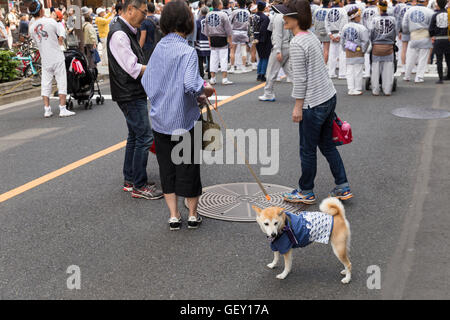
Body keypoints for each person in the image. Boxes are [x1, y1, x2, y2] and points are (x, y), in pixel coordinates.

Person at [141, 1, 214, 230]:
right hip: (185, 119)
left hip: (161, 120)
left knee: (167, 168)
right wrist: (207, 89)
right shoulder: (187, 51)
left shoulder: (158, 49)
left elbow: (147, 82)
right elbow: (192, 85)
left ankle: (174, 216)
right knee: (189, 167)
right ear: (188, 23)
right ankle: (192, 215)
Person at [272, 0, 352, 205]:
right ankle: (342, 185)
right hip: (328, 95)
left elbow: (300, 79)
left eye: (287, 15)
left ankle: (306, 190)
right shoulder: (312, 37)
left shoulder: (297, 43)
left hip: (313, 102)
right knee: (327, 145)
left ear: (297, 17)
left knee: (307, 149)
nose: (283, 18)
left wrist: (298, 106)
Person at [107, 0, 163, 200]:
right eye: (143, 12)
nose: (145, 17)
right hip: (129, 93)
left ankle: (130, 179)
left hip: (128, 92)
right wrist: (158, 69)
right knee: (145, 137)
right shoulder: (120, 33)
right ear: (130, 9)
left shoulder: (124, 30)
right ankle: (139, 185)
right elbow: (132, 68)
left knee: (135, 135)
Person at [28, 0, 75, 118]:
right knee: (61, 81)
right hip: (56, 56)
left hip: (45, 58)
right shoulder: (50, 21)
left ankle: (47, 109)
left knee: (46, 83)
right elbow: (61, 34)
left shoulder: (31, 27)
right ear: (41, 10)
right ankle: (62, 108)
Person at [259, 0, 293, 101]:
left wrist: (277, 50)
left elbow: (277, 34)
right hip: (288, 46)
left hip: (280, 47)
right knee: (291, 72)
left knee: (271, 72)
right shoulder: (287, 16)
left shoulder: (277, 17)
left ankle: (268, 93)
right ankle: (302, 91)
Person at [402, 0, 434, 82]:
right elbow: (432, 25)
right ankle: (419, 77)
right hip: (425, 35)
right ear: (426, 2)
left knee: (410, 57)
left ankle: (407, 75)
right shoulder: (430, 11)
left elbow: (404, 25)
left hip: (413, 36)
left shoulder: (409, 11)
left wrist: (406, 32)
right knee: (423, 58)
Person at [341, 7, 370, 95]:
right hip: (358, 49)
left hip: (348, 48)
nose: (360, 17)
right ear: (356, 17)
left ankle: (351, 88)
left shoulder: (345, 27)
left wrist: (344, 48)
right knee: (358, 70)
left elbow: (342, 40)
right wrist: (363, 50)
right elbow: (366, 41)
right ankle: (357, 88)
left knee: (349, 69)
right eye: (359, 16)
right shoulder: (362, 28)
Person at [370, 1, 397, 95]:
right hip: (389, 46)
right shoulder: (392, 19)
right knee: (388, 70)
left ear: (379, 8)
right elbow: (395, 33)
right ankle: (387, 90)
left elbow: (371, 33)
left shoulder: (374, 20)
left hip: (376, 46)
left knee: (375, 70)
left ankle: (375, 90)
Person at [204, 0, 234, 85]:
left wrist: (209, 40)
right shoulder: (223, 14)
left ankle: (213, 78)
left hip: (212, 38)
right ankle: (224, 79)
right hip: (222, 38)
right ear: (219, 5)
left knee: (213, 59)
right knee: (223, 58)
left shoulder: (208, 15)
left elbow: (206, 30)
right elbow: (228, 30)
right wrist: (230, 41)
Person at [326, 0, 349, 79]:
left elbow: (326, 23)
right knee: (342, 54)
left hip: (332, 34)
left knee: (332, 54)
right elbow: (344, 23)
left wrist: (330, 34)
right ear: (339, 3)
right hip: (340, 34)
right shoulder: (343, 10)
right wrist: (340, 34)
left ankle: (331, 73)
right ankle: (342, 74)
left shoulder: (329, 11)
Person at [428, 0, 449, 83]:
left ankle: (440, 78)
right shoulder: (449, 14)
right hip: (448, 38)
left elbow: (431, 29)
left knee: (439, 59)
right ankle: (448, 75)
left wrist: (432, 35)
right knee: (448, 58)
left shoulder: (435, 15)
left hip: (439, 38)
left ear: (438, 5)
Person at [229, 0, 251, 74]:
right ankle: (243, 67)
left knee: (233, 51)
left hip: (235, 31)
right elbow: (249, 23)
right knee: (243, 50)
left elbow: (230, 21)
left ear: (238, 4)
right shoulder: (248, 12)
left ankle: (232, 67)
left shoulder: (234, 12)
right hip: (244, 32)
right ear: (245, 4)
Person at [362, 0, 380, 77]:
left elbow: (362, 22)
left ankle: (367, 72)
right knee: (376, 51)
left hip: (366, 31)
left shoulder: (364, 10)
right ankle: (376, 71)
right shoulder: (378, 10)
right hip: (375, 33)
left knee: (366, 52)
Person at [254, 1, 272, 81]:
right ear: (264, 8)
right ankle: (262, 74)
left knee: (261, 57)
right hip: (264, 39)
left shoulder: (254, 16)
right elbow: (264, 30)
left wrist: (255, 37)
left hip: (256, 38)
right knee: (265, 57)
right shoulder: (265, 18)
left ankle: (259, 74)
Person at [312, 0, 331, 64]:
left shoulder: (317, 10)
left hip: (317, 32)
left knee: (316, 49)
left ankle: (315, 64)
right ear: (329, 3)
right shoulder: (330, 11)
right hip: (326, 32)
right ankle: (324, 65)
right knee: (326, 50)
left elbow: (313, 21)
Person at [195, 6, 212, 79]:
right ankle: (210, 74)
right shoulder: (210, 20)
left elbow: (196, 31)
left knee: (200, 59)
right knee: (210, 58)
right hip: (209, 41)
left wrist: (195, 40)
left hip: (200, 41)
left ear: (201, 12)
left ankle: (201, 74)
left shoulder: (198, 21)